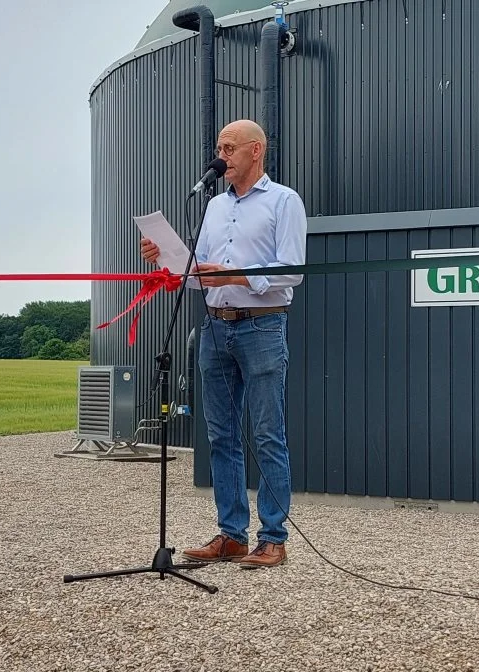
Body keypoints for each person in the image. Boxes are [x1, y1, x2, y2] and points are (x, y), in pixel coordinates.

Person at [139, 119, 307, 569]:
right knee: (220, 435)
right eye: (218, 147)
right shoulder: (212, 207)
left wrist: (230, 275)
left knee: (267, 434)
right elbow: (199, 277)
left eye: (229, 148)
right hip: (214, 327)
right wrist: (172, 264)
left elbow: (291, 271)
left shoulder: (283, 201)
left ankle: (273, 538)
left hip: (262, 327)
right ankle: (231, 535)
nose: (221, 156)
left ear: (256, 151)